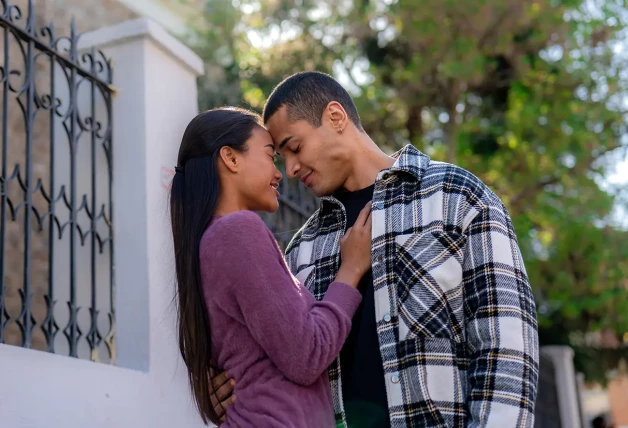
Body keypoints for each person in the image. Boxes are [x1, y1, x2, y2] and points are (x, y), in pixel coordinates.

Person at [211, 72, 540, 427]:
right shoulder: (301, 251)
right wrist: (225, 387)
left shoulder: (456, 198)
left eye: (295, 147)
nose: (289, 169)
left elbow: (508, 353)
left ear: (335, 118)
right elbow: (283, 364)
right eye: (280, 156)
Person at [169, 107, 374, 427]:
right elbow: (306, 355)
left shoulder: (211, 241)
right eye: (270, 156)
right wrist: (351, 269)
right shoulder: (236, 231)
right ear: (231, 159)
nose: (281, 173)